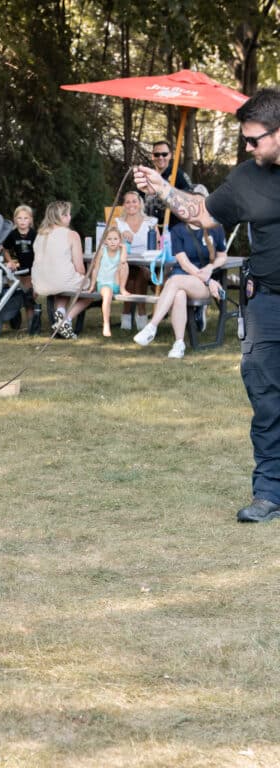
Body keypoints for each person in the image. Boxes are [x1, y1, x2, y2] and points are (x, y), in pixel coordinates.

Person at [133, 86, 280, 523]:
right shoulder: (248, 177)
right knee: (266, 399)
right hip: (267, 303)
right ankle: (269, 492)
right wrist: (162, 188)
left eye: (254, 139)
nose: (247, 147)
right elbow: (201, 212)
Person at [133, 184, 226, 358]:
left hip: (203, 284)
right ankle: (179, 344)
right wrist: (208, 280)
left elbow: (222, 256)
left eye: (199, 203)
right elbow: (184, 264)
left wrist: (210, 269)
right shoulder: (178, 230)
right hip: (190, 278)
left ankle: (152, 326)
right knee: (179, 293)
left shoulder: (215, 227)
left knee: (174, 282)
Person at [32, 200, 94, 339]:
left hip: (40, 283)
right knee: (92, 290)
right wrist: (85, 277)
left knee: (64, 282)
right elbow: (80, 268)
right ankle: (66, 320)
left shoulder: (40, 234)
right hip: (60, 281)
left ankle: (60, 311)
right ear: (62, 217)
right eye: (67, 214)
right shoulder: (71, 235)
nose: (70, 217)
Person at [115, 190, 158, 331]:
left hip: (148, 264)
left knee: (140, 272)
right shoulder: (119, 223)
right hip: (124, 264)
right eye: (127, 202)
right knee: (131, 271)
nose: (131, 204)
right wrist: (120, 236)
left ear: (140, 204)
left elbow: (158, 246)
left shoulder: (151, 222)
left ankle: (128, 314)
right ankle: (140, 314)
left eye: (134, 201)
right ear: (124, 205)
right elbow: (110, 244)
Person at [89, 225, 129, 337]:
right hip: (104, 283)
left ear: (120, 240)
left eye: (115, 239)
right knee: (107, 295)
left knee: (124, 264)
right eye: (109, 239)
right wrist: (92, 285)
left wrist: (124, 248)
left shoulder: (121, 250)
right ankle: (106, 323)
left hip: (115, 282)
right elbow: (96, 268)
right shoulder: (102, 251)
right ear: (105, 241)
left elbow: (123, 261)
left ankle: (122, 288)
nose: (112, 242)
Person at [143, 139, 194, 225]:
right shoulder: (147, 176)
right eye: (157, 154)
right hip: (150, 227)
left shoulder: (179, 176)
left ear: (170, 155)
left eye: (164, 154)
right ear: (152, 156)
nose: (160, 157)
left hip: (174, 228)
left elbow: (189, 201)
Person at [1, 204, 37, 324]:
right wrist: (10, 261)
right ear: (15, 220)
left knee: (31, 295)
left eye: (25, 218)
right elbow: (5, 249)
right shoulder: (13, 234)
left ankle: (31, 321)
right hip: (22, 270)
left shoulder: (34, 234)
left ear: (30, 220)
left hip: (34, 268)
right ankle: (21, 318)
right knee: (24, 294)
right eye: (19, 218)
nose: (22, 221)